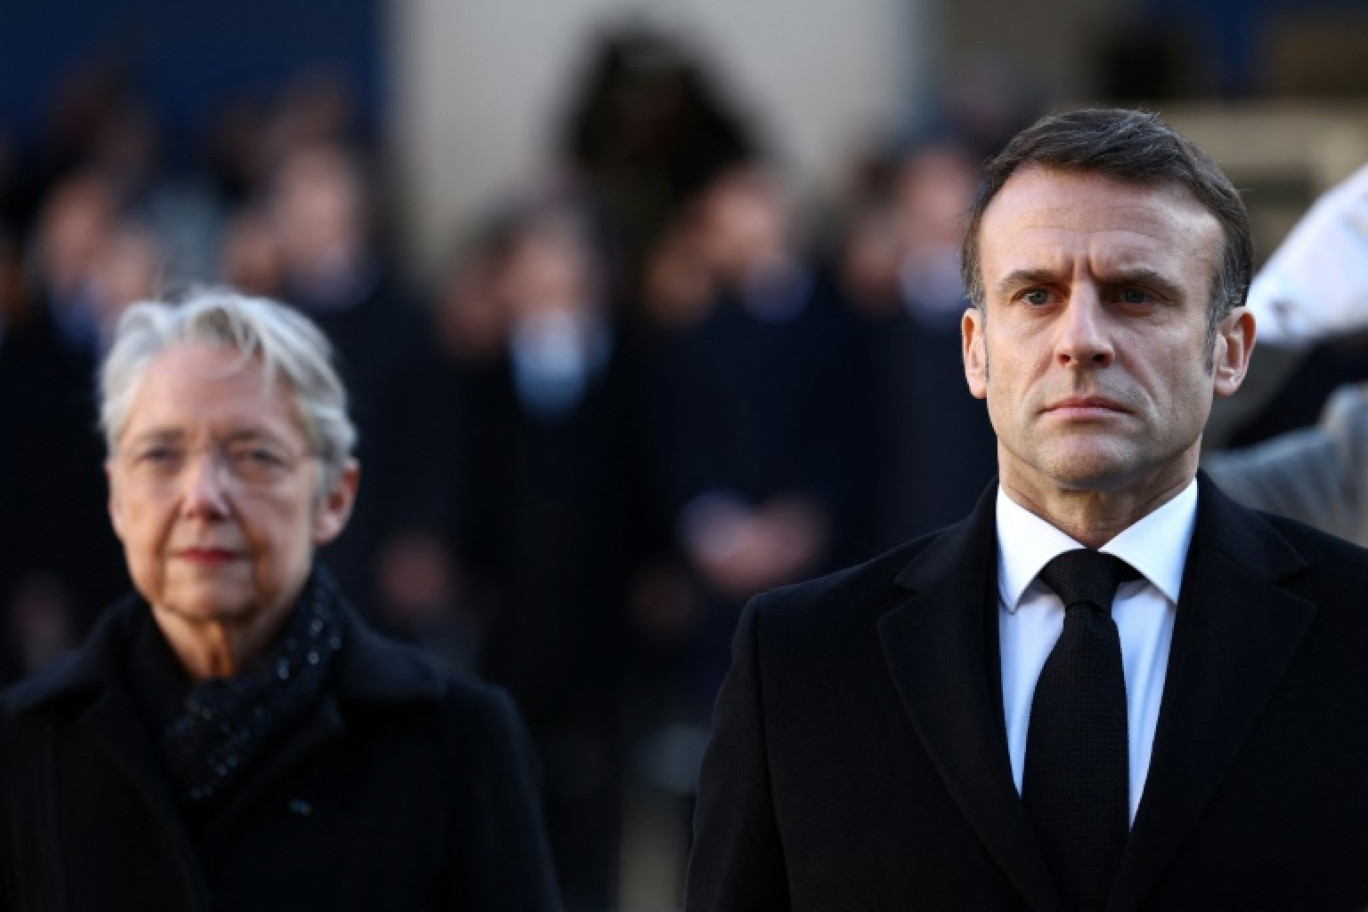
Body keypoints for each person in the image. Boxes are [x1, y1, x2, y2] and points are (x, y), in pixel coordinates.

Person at [685, 108, 1368, 910]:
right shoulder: (800, 663)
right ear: (975, 348)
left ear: (1232, 350)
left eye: (1135, 295)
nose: (1081, 339)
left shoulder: (1352, 638)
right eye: (1037, 295)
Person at [0, 290, 561, 910]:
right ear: (115, 497)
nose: (203, 496)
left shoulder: (458, 743)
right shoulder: (25, 745)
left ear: (335, 498)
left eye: (254, 456)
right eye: (161, 455)